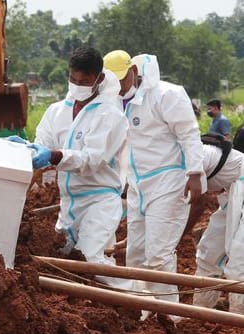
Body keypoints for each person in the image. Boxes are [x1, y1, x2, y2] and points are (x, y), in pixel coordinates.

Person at [14, 46, 133, 290]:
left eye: (84, 81)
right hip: (68, 203)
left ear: (99, 79)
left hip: (99, 201)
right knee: (64, 260)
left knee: (89, 260)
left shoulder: (110, 116)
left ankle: (135, 303)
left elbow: (92, 160)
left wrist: (55, 156)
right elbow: (42, 146)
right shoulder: (57, 111)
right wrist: (24, 150)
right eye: (73, 79)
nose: (77, 85)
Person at [104, 50, 205, 303]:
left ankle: (168, 316)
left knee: (159, 255)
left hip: (168, 182)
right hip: (139, 183)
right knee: (135, 253)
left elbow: (188, 134)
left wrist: (194, 173)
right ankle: (142, 313)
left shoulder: (166, 95)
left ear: (133, 72)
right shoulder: (115, 101)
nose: (117, 86)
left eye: (120, 79)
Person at [185, 140, 244, 314]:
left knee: (240, 262)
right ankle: (200, 313)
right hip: (233, 190)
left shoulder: (189, 155)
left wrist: (178, 236)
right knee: (208, 253)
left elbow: (198, 203)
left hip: (239, 187)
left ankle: (238, 321)